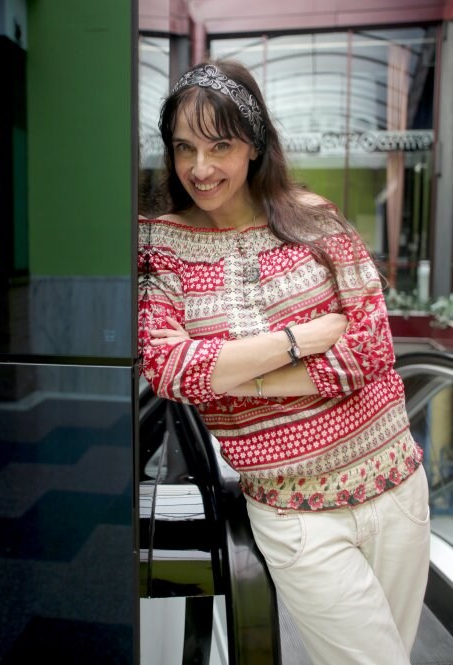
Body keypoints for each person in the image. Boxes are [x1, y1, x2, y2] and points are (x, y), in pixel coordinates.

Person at [138, 59, 430, 665]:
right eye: (184, 147)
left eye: (220, 145)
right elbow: (170, 369)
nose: (200, 168)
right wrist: (302, 340)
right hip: (295, 512)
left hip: (395, 482)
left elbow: (372, 346)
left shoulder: (314, 217)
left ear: (254, 144)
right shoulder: (158, 243)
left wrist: (239, 377)